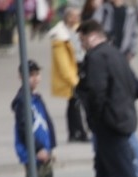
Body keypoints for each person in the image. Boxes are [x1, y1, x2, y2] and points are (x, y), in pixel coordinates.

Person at [72, 19, 138, 177]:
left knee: (125, 173)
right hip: (122, 121)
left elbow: (96, 92)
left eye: (82, 41)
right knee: (103, 175)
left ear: (91, 36)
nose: (82, 46)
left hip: (109, 126)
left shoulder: (96, 57)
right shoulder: (116, 54)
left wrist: (95, 119)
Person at [11, 60, 57, 177]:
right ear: (21, 77)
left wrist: (51, 147)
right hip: (35, 154)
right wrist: (38, 149)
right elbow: (25, 129)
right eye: (31, 75)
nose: (35, 78)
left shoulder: (36, 98)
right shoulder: (23, 101)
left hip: (44, 151)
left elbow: (47, 122)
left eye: (37, 74)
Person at [48, 5, 89, 142]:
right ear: (66, 17)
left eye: (78, 16)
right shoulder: (60, 35)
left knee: (74, 103)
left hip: (81, 67)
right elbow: (63, 62)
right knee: (75, 102)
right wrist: (73, 79)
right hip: (72, 71)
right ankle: (79, 132)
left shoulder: (79, 29)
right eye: (73, 16)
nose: (76, 19)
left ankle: (74, 132)